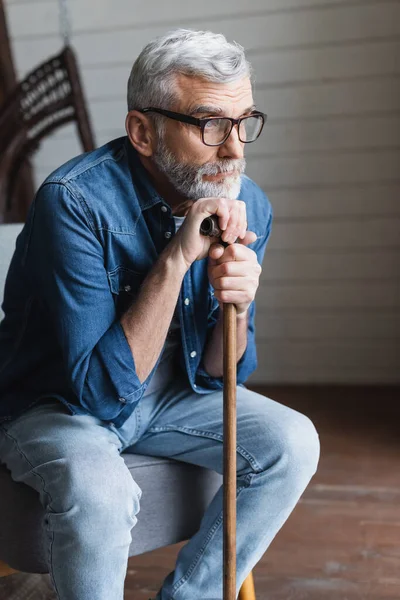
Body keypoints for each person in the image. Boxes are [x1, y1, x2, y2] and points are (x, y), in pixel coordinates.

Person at [0, 29, 320, 600]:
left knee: (294, 441)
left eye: (245, 122)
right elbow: (97, 395)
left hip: (170, 393)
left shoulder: (249, 202)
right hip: (54, 404)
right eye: (212, 125)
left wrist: (238, 306)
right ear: (143, 132)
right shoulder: (74, 202)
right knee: (99, 491)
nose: (236, 149)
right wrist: (177, 257)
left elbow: (222, 376)